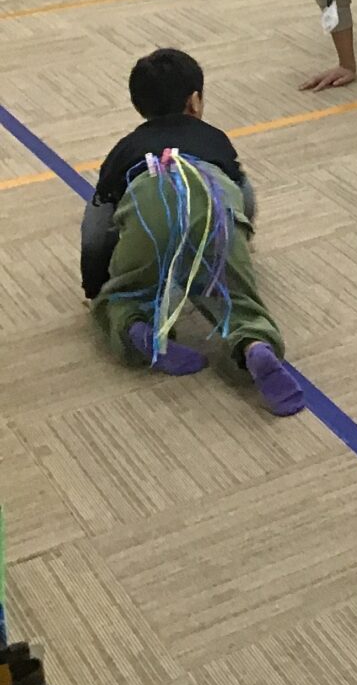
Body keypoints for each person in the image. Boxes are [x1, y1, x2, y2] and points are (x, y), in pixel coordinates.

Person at [81, 49, 304, 416]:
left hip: (150, 213)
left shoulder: (125, 149)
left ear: (139, 106)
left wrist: (96, 287)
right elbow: (244, 195)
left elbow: (95, 229)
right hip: (215, 209)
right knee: (237, 299)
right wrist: (241, 240)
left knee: (123, 298)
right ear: (195, 101)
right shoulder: (214, 138)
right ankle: (253, 345)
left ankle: (139, 328)